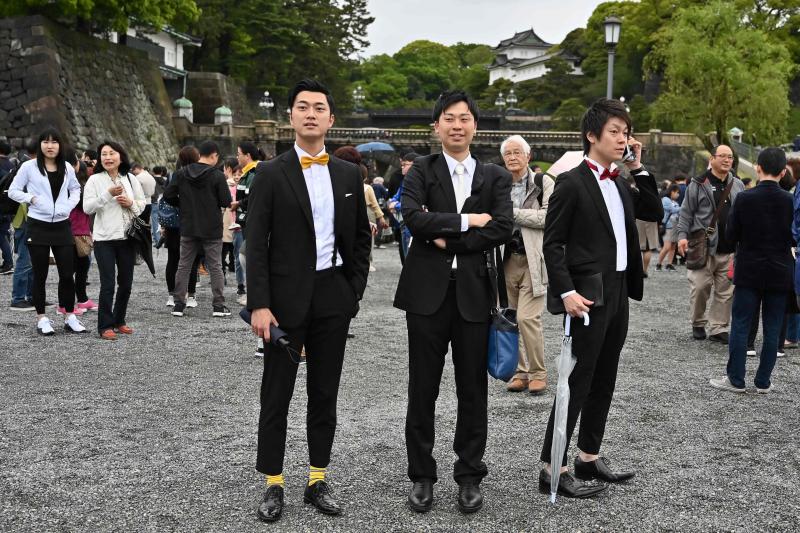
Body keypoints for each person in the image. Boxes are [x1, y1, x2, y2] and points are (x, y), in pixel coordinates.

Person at [246, 79, 371, 523]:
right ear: (291, 117)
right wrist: (259, 303)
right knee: (276, 392)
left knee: (325, 392)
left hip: (333, 297)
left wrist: (352, 290)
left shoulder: (347, 173)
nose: (312, 113)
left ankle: (318, 476)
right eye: (303, 107)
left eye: (320, 107)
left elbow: (360, 238)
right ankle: (273, 482)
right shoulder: (271, 172)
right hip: (282, 301)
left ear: (331, 119)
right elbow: (255, 244)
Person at [393, 90, 513, 514]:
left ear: (475, 125)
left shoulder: (495, 175)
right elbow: (411, 217)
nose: (457, 125)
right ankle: (422, 475)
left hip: (474, 295)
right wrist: (467, 220)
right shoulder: (420, 170)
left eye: (464, 118)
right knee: (421, 388)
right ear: (437, 125)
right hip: (426, 294)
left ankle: (469, 474)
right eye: (449, 118)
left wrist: (447, 238)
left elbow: (502, 227)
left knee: (472, 390)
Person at [539, 98, 662, 498]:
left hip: (619, 293)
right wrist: (567, 292)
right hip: (586, 297)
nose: (623, 138)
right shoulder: (571, 182)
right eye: (615, 131)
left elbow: (653, 211)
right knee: (575, 380)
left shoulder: (622, 182)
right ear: (592, 135)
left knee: (605, 376)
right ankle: (551, 467)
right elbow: (553, 244)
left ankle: (588, 456)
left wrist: (638, 167)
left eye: (626, 133)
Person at [710, 148, 793, 394]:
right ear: (783, 171)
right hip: (780, 269)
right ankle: (763, 381)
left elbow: (731, 233)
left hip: (749, 267)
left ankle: (735, 379)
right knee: (773, 325)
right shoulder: (790, 201)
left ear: (757, 168)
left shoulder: (745, 198)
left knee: (741, 324)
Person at [8, 127, 86, 334]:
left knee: (67, 274)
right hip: (38, 224)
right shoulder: (28, 167)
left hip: (62, 225)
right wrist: (32, 199)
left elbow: (76, 189)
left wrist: (67, 207)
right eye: (46, 142)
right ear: (40, 145)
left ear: (60, 145)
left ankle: (70, 316)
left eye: (54, 142)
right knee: (39, 274)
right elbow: (13, 191)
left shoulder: (67, 167)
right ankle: (41, 318)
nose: (50, 146)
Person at [500, 134, 553, 395]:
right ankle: (521, 372)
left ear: (528, 156)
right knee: (511, 318)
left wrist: (513, 214)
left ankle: (538, 373)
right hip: (506, 259)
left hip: (534, 259)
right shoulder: (498, 185)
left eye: (516, 152)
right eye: (507, 153)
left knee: (527, 317)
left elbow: (549, 217)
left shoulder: (544, 182)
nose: (512, 157)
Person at [676, 145, 745, 343]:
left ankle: (718, 327)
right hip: (702, 246)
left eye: (730, 157)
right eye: (722, 156)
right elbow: (686, 212)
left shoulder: (737, 184)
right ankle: (698, 322)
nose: (726, 160)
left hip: (730, 247)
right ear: (712, 158)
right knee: (699, 287)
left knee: (725, 291)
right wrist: (681, 236)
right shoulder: (698, 183)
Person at [83, 140, 146, 340]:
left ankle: (120, 320)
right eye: (104, 154)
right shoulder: (95, 180)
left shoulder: (129, 178)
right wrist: (108, 194)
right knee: (108, 283)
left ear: (120, 156)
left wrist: (131, 204)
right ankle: (105, 326)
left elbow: (143, 203)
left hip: (127, 238)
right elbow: (87, 208)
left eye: (112, 153)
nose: (108, 158)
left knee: (126, 283)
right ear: (99, 158)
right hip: (104, 239)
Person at [163, 140, 232, 318]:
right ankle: (218, 306)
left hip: (188, 225)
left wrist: (183, 205)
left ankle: (178, 304)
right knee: (215, 266)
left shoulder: (181, 173)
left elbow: (168, 195)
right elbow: (225, 201)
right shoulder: (217, 176)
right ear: (214, 156)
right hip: (212, 227)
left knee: (184, 264)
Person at [162, 147, 201, 308]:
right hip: (193, 222)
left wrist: (180, 203)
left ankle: (172, 295)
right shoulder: (200, 175)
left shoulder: (174, 175)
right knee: (192, 260)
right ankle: (191, 295)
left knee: (173, 259)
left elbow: (167, 195)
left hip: (173, 223)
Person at [66, 152, 97, 313]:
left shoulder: (81, 187)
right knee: (71, 270)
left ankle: (82, 299)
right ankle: (65, 304)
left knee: (82, 268)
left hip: (82, 231)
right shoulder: (76, 188)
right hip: (75, 231)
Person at [8, 143, 36, 311]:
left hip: (27, 222)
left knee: (33, 261)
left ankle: (32, 296)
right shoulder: (27, 170)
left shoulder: (25, 168)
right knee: (25, 261)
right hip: (25, 222)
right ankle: (18, 298)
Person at [234, 141, 263, 300]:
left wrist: (237, 204)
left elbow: (253, 198)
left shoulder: (255, 172)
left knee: (246, 256)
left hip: (253, 222)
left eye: (238, 154)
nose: (237, 157)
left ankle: (254, 294)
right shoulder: (247, 173)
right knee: (245, 255)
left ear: (247, 155)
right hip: (246, 221)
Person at [387, 152, 422, 264]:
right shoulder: (405, 181)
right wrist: (393, 204)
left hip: (413, 225)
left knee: (412, 259)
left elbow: (417, 205)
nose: (401, 167)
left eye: (404, 165)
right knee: (407, 257)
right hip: (404, 223)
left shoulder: (420, 183)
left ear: (414, 165)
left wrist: (396, 205)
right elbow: (393, 199)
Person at [656, 184, 682, 271]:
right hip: (668, 226)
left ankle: (669, 264)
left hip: (675, 226)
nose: (678, 195)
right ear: (672, 191)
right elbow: (672, 210)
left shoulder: (675, 202)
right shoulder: (666, 200)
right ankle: (658, 264)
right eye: (677, 192)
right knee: (667, 246)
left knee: (673, 246)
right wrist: (683, 208)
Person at [151, 165, 168, 243]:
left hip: (154, 201)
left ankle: (157, 239)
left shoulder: (151, 179)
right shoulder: (165, 180)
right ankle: (165, 237)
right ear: (161, 172)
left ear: (153, 172)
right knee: (164, 220)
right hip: (164, 202)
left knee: (155, 221)